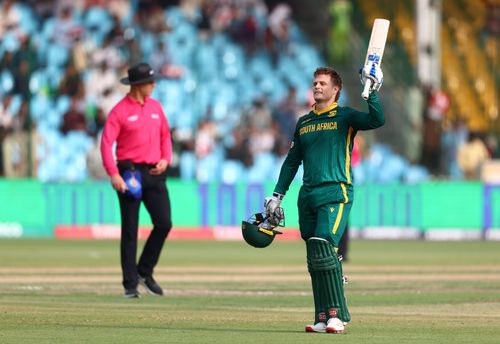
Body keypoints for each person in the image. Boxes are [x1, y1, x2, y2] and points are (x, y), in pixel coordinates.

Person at [264, 64, 385, 333]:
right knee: (315, 256)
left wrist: (372, 92)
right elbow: (292, 161)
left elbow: (376, 120)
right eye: (315, 83)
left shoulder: (345, 117)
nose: (317, 86)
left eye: (322, 83)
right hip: (307, 195)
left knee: (323, 244)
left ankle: (337, 315)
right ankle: (321, 316)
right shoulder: (304, 122)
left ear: (336, 89)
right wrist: (276, 196)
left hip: (336, 191)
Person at [100, 62, 173, 298]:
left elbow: (165, 136)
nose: (154, 85)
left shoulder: (156, 107)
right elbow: (106, 143)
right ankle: (130, 284)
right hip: (129, 174)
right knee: (130, 230)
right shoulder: (120, 111)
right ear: (138, 85)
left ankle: (144, 270)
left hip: (154, 172)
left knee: (164, 223)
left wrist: (166, 159)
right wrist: (113, 173)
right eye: (150, 82)